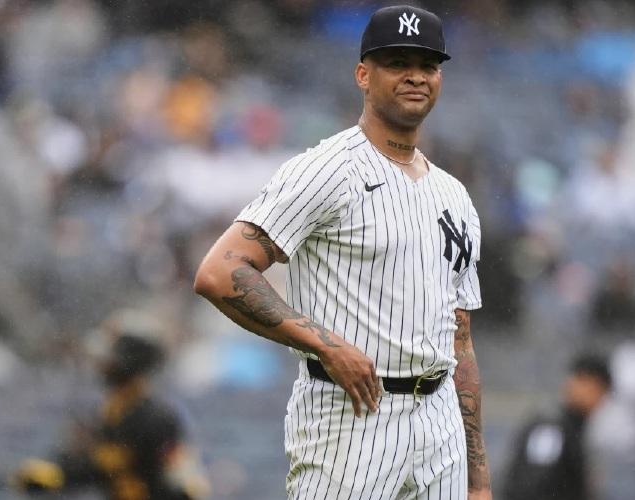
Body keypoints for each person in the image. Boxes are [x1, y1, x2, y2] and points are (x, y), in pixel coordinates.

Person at [194, 5, 491, 499]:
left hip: (440, 424)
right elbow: (220, 272)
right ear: (363, 75)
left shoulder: (454, 195)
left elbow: (460, 340)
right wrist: (326, 345)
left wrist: (478, 480)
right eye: (397, 63)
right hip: (351, 416)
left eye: (428, 65)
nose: (416, 76)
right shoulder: (328, 169)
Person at [14, 309, 210, 500]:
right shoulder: (105, 415)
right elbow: (85, 465)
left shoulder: (158, 419)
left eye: (109, 356)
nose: (101, 363)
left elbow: (183, 484)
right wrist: (55, 474)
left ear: (130, 359)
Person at [502, 353, 613, 500]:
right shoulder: (551, 428)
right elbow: (534, 483)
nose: (601, 400)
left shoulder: (574, 429)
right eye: (599, 390)